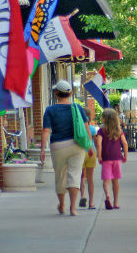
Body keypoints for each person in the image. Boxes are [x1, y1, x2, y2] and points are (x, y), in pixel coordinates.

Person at [41, 80, 94, 216]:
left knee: (60, 176)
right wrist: (89, 146)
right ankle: (73, 208)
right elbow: (86, 128)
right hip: (77, 145)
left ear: (56, 93)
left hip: (58, 146)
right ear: (70, 93)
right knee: (75, 175)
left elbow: (46, 130)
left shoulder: (50, 110)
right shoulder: (77, 108)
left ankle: (62, 204)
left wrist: (42, 149)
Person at [96, 108, 128, 210]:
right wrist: (125, 155)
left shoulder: (101, 131)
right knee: (116, 181)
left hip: (106, 158)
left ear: (104, 118)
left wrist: (99, 155)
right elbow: (125, 143)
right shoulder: (119, 131)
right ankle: (116, 203)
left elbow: (99, 144)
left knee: (106, 180)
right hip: (117, 158)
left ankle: (107, 196)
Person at [79, 107, 98, 210]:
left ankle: (83, 196)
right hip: (91, 153)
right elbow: (95, 142)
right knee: (90, 179)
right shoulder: (92, 128)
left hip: (80, 153)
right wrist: (98, 152)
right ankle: (91, 203)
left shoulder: (78, 128)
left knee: (81, 177)